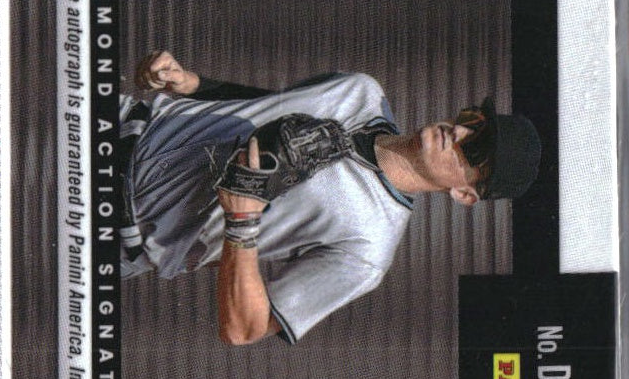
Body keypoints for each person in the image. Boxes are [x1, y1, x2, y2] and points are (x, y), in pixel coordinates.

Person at [118, 51, 541, 347]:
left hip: (115, 228)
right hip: (117, 120)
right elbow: (267, 104)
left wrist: (242, 223)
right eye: (473, 121)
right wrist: (191, 83)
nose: (459, 133)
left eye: (475, 149)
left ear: (464, 194)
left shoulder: (369, 249)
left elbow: (244, 329)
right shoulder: (361, 90)